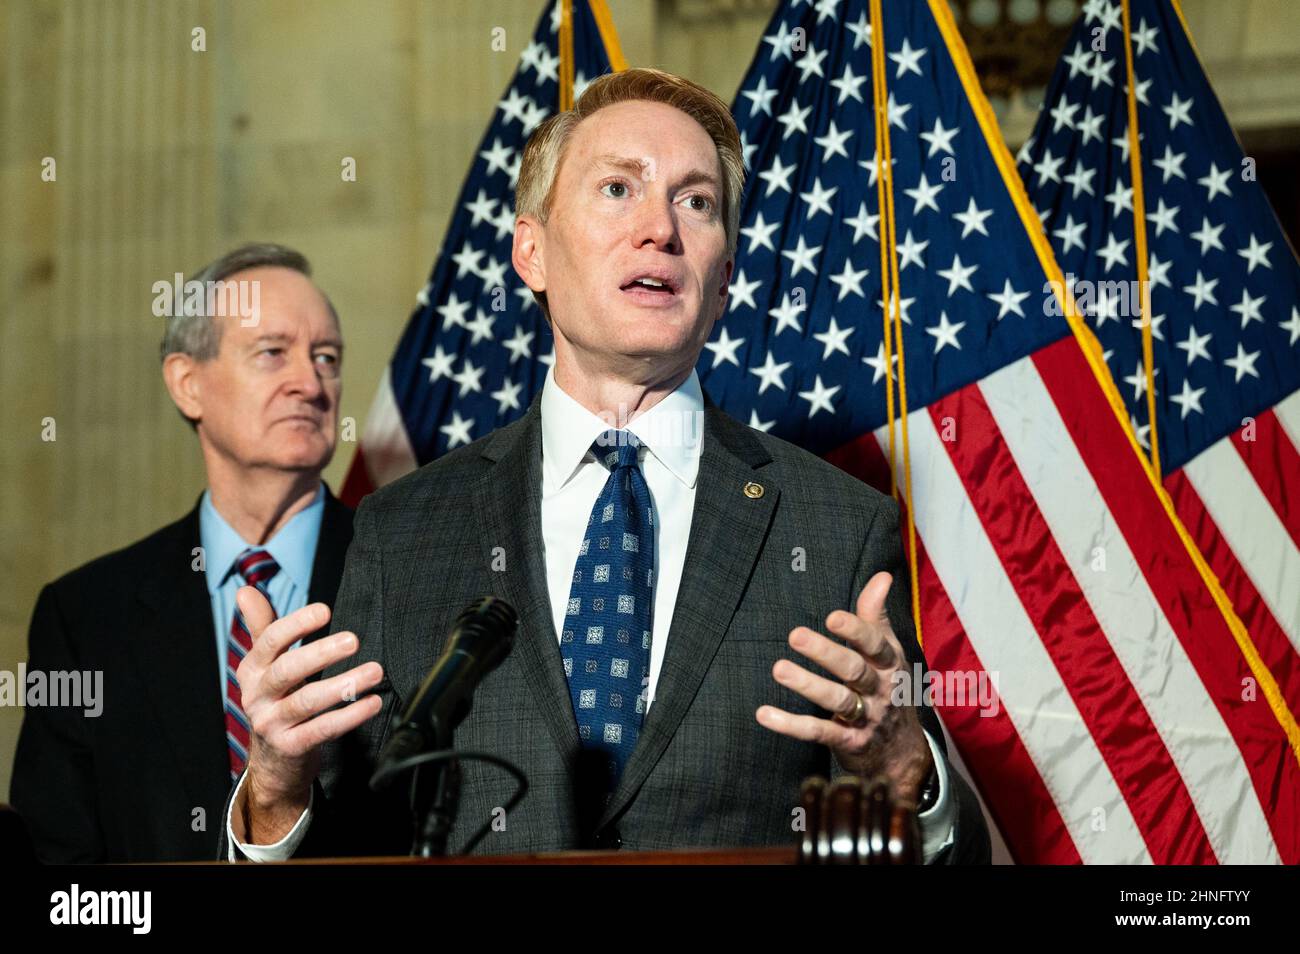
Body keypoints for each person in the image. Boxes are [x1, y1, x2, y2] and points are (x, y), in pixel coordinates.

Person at [223, 70, 991, 863]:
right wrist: (276, 792)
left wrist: (902, 767)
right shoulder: (402, 530)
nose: (659, 227)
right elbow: (347, 844)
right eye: (619, 188)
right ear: (533, 253)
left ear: (723, 279)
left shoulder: (836, 526)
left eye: (697, 202)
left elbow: (931, 858)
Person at [10, 243, 354, 862]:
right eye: (273, 353)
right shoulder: (87, 615)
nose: (310, 383)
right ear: (187, 383)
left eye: (325, 357)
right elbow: (56, 862)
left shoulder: (409, 569)